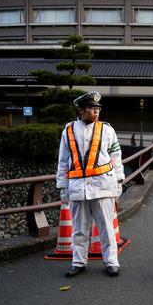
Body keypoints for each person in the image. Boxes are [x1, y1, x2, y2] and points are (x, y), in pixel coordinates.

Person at [56, 91, 125, 277]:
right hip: (77, 186)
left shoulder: (107, 130)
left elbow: (116, 157)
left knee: (106, 227)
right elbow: (63, 161)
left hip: (103, 185)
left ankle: (111, 261)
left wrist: (119, 182)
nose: (95, 112)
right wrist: (62, 187)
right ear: (81, 110)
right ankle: (78, 262)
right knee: (79, 228)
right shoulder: (69, 130)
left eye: (97, 109)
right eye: (91, 108)